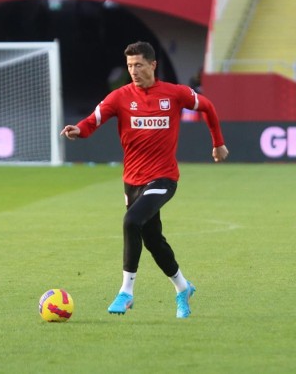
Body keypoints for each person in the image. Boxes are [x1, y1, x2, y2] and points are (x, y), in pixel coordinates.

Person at [60, 41, 229, 318]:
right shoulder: (119, 96)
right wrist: (78, 129)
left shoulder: (174, 94)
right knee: (152, 241)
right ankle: (183, 288)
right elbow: (93, 120)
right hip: (132, 181)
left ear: (153, 64)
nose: (134, 70)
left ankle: (126, 292)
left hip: (163, 178)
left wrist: (218, 143)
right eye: (129, 66)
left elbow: (207, 106)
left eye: (138, 64)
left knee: (131, 222)